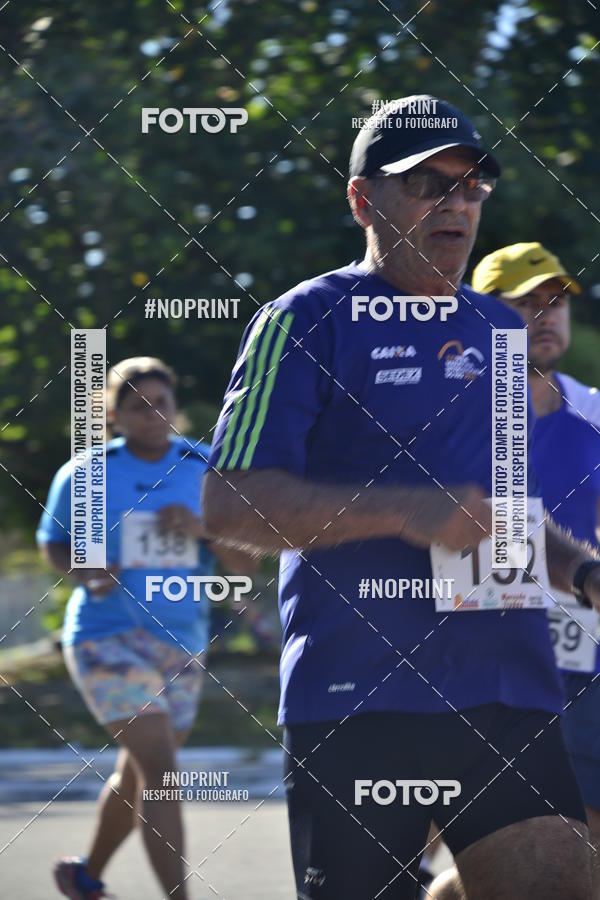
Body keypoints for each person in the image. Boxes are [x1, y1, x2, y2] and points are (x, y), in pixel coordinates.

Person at [202, 96, 600, 899]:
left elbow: (503, 513)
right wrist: (412, 511)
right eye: (426, 183)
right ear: (362, 199)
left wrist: (586, 576)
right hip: (361, 699)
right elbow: (229, 505)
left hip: (509, 691)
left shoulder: (498, 330)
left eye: (470, 186)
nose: (455, 203)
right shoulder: (305, 322)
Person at [37, 356, 256, 900]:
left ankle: (84, 876)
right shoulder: (85, 473)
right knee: (161, 770)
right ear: (113, 415)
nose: (153, 415)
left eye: (162, 403)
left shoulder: (206, 468)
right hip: (104, 636)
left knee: (142, 769)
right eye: (138, 406)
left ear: (177, 409)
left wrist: (203, 530)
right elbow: (54, 543)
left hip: (181, 642)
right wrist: (84, 568)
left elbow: (247, 565)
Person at [469, 242, 600, 894]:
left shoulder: (596, 411)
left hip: (586, 667)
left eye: (555, 301)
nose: (545, 315)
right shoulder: (457, 416)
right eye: (524, 303)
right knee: (500, 860)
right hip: (488, 670)